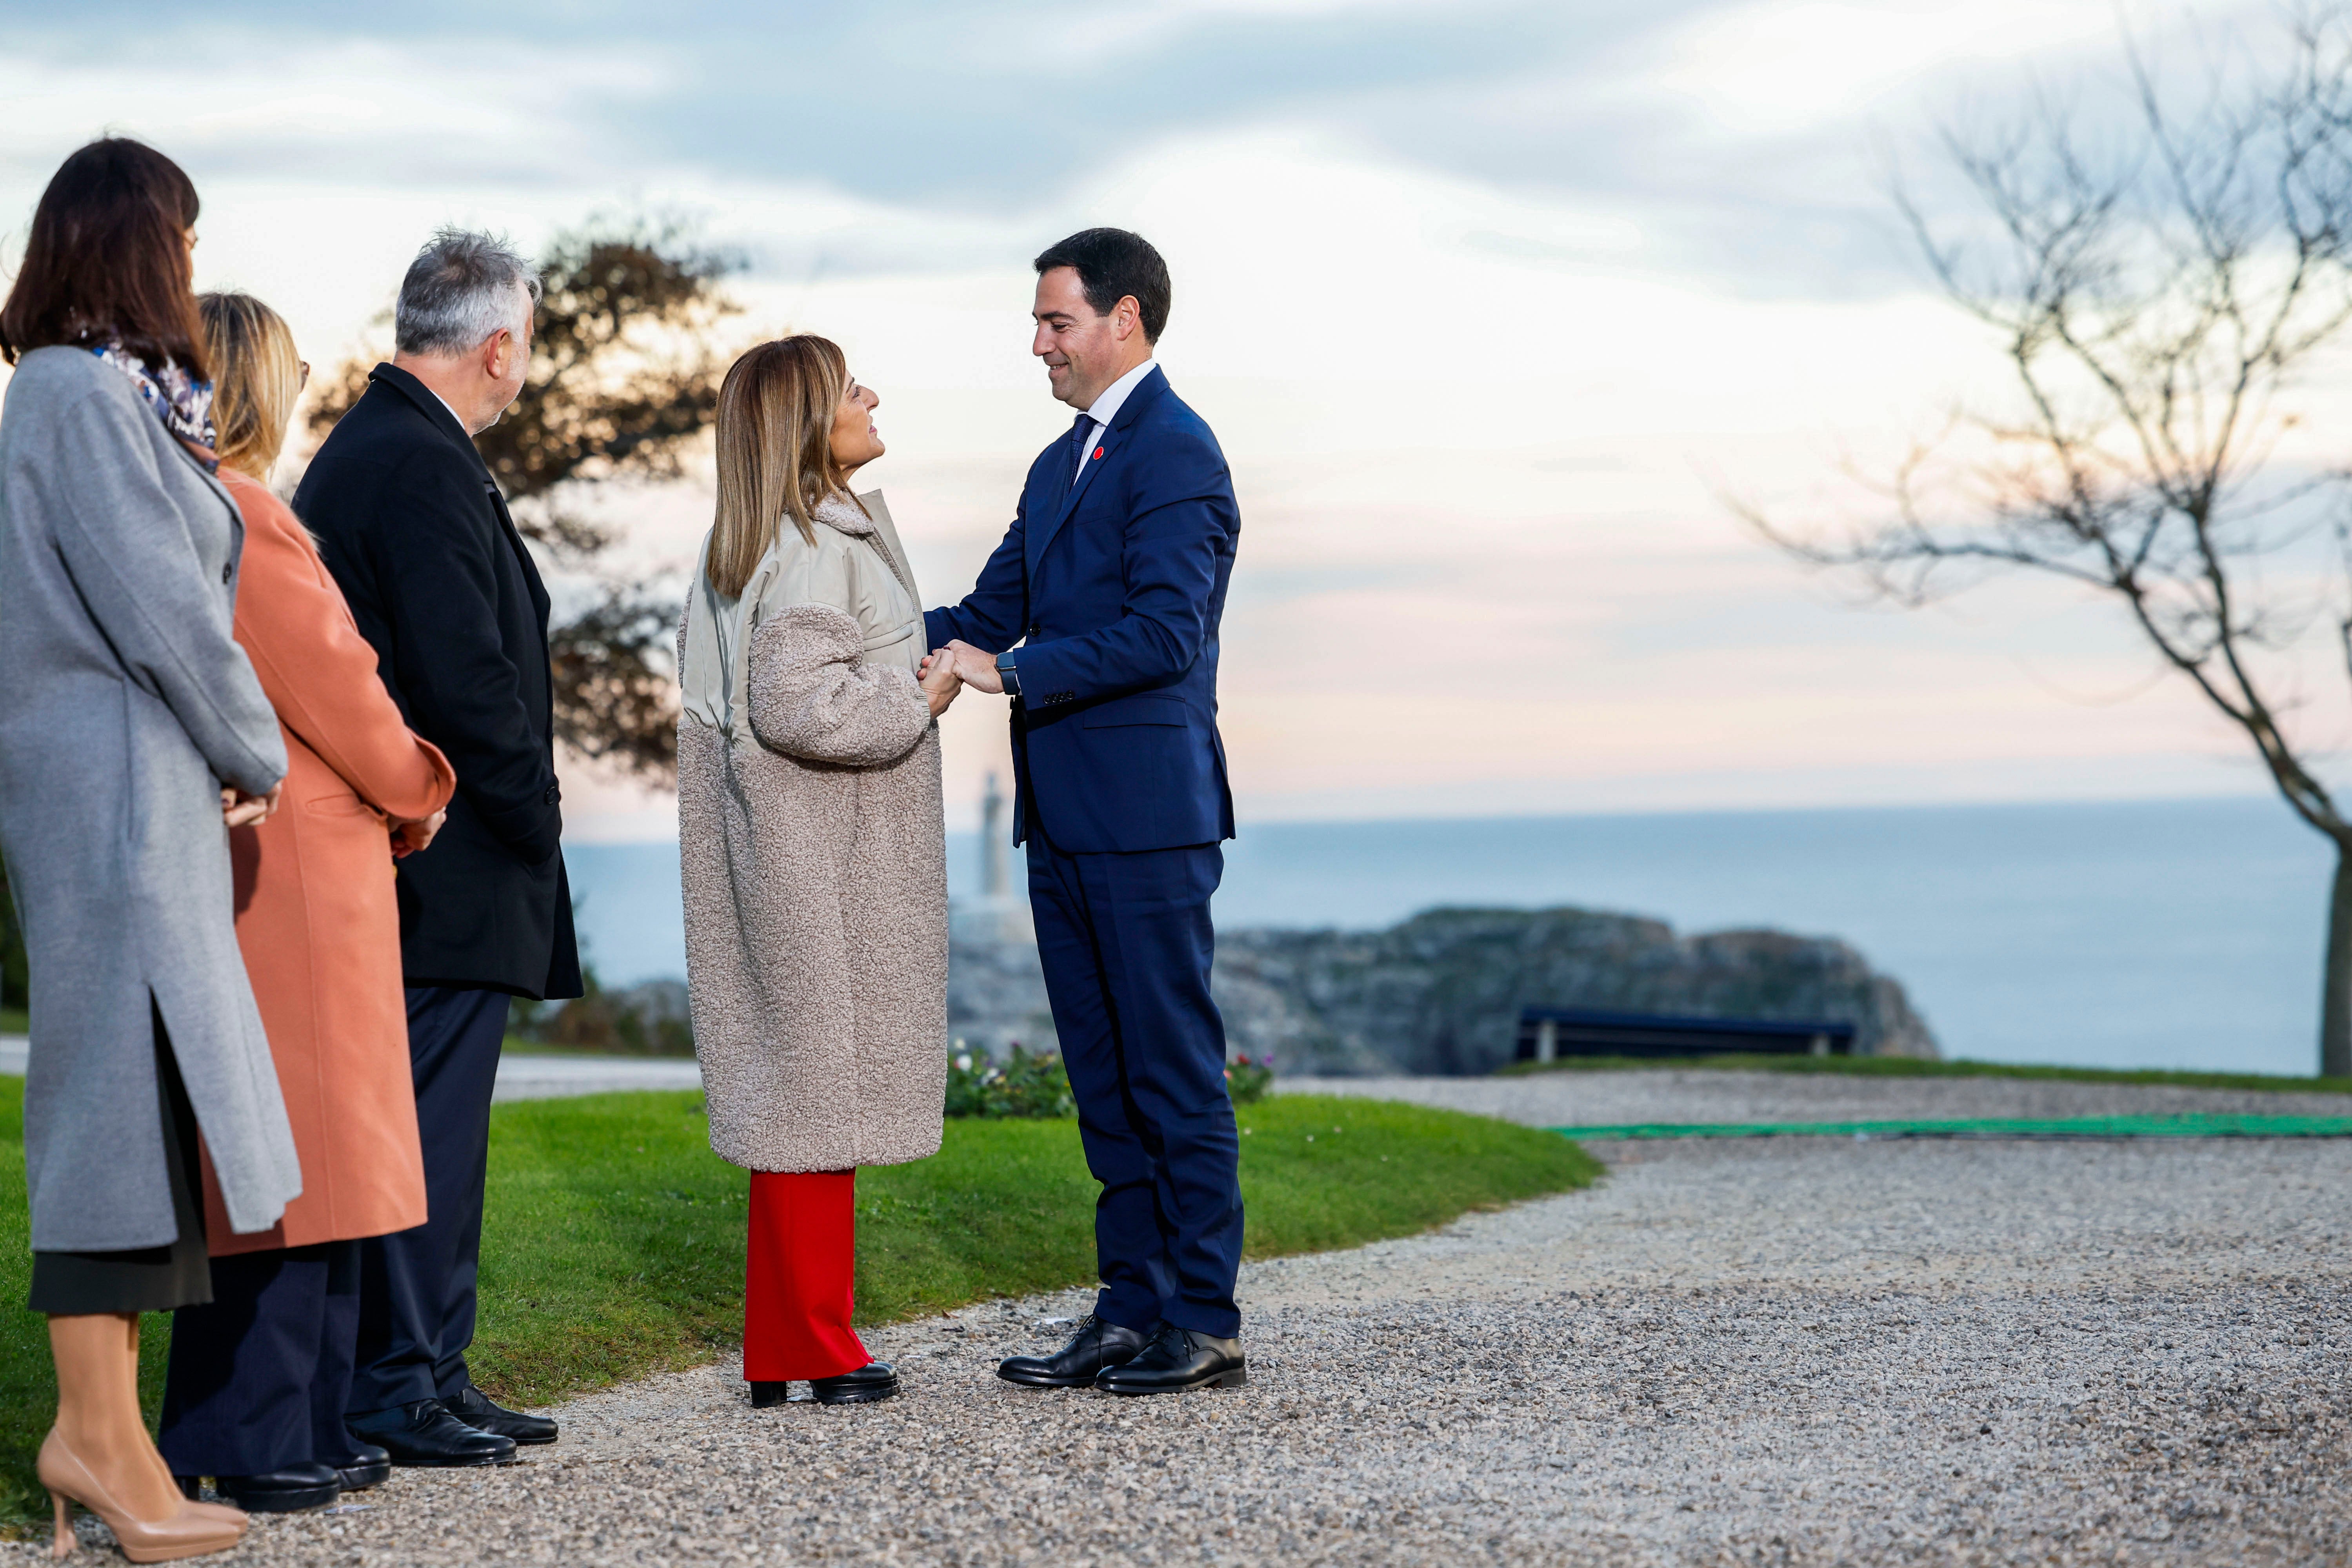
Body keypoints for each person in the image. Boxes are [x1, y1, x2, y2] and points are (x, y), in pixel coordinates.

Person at [0, 137, 301, 1560]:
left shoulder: (107, 395)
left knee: (140, 1118)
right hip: (112, 793)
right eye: (180, 235)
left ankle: (114, 1444)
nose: (190, 261)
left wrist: (210, 759)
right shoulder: (70, 394)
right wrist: (257, 748)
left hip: (137, 784)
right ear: (133, 243)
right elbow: (161, 606)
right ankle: (97, 1443)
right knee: (109, 1117)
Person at [926, 228, 1246, 1395]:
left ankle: (1203, 1318)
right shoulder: (1059, 465)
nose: (1040, 342)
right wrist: (843, 633)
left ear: (1126, 319)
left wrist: (1008, 672)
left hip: (1150, 819)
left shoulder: (1177, 454)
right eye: (1039, 322)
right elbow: (983, 608)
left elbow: (1168, 634)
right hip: (1060, 821)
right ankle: (1130, 1306)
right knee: (1104, 1080)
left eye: (1057, 322)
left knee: (1171, 1071)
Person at [156, 292, 458, 1514]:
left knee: (306, 1164)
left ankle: (302, 1420)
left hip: (275, 869)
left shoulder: (183, 512)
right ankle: (259, 1432)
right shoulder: (247, 518)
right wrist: (421, 786)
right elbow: (342, 690)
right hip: (303, 880)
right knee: (298, 1165)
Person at [294, 229, 579, 1466]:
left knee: (437, 1133)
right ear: (498, 346)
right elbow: (466, 679)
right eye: (529, 346)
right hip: (442, 861)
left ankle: (433, 1369)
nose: (527, 372)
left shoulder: (401, 446)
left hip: (434, 859)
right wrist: (536, 813)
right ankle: (398, 1381)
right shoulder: (411, 460)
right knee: (418, 1130)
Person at [677, 336, 960, 1407]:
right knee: (813, 1092)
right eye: (851, 389)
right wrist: (920, 699)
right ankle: (813, 1341)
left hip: (781, 840)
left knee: (794, 1087)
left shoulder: (753, 539)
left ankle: (788, 1340)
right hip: (824, 850)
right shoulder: (812, 545)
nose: (874, 397)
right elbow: (801, 709)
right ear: (807, 418)